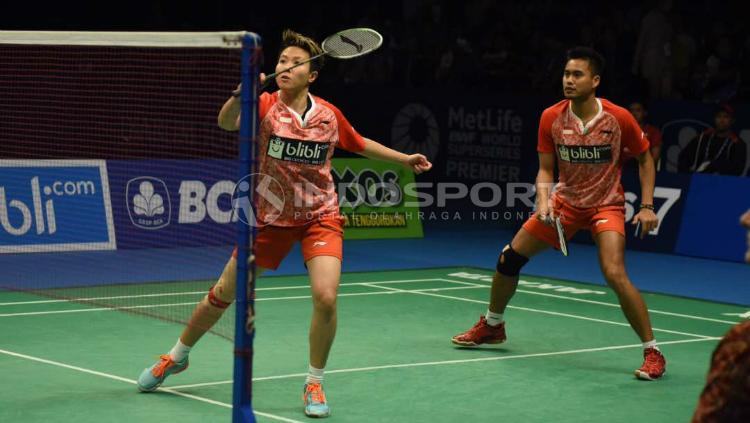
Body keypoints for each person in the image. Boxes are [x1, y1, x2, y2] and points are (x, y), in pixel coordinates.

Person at [136, 29, 432, 418]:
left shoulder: (328, 115)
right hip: (270, 218)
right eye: (282, 61)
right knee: (223, 292)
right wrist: (240, 92)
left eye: (296, 63)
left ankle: (314, 381)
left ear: (312, 75)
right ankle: (176, 356)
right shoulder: (264, 105)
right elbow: (227, 123)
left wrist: (403, 159)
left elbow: (358, 143)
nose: (286, 67)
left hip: (320, 217)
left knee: (326, 297)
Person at [452, 46, 667, 380]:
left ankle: (653, 351)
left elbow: (644, 159)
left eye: (577, 74)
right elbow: (545, 169)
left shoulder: (618, 117)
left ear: (595, 80)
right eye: (566, 74)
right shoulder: (551, 116)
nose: (569, 80)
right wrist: (543, 200)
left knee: (614, 272)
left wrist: (647, 206)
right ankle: (493, 325)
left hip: (605, 204)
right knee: (509, 258)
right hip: (565, 204)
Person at [677, 104, 747, 176]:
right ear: (714, 119)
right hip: (697, 180)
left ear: (732, 120)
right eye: (718, 116)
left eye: (726, 117)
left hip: (722, 183)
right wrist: (687, 175)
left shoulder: (737, 143)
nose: (721, 120)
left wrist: (715, 166)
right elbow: (684, 157)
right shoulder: (703, 137)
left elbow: (737, 169)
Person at [628, 101, 662, 167]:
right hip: (622, 172)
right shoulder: (620, 130)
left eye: (638, 110)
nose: (634, 113)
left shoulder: (653, 132)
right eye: (631, 110)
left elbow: (655, 158)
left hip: (644, 171)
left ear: (645, 113)